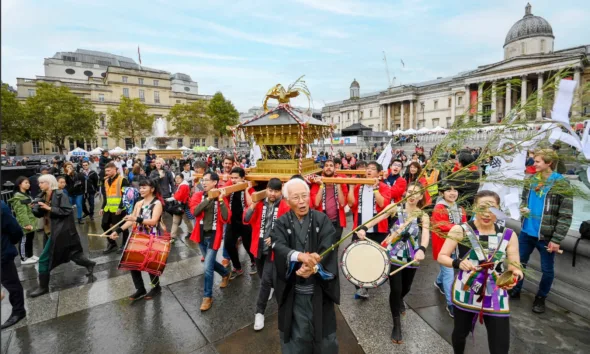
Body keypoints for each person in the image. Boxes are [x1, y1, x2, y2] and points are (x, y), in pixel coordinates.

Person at [438, 190, 523, 354]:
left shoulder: (508, 235)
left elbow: (515, 265)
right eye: (482, 207)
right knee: (460, 334)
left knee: (501, 345)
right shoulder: (461, 230)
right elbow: (442, 256)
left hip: (495, 292)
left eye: (492, 208)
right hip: (466, 290)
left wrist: (515, 276)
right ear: (474, 208)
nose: (487, 213)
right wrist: (458, 262)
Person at [356, 183, 431, 344]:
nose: (412, 195)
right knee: (396, 290)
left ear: (420, 197)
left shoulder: (422, 215)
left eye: (415, 193)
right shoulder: (395, 208)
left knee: (406, 288)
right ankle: (396, 324)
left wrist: (422, 249)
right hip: (393, 254)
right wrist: (363, 228)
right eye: (409, 192)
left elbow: (425, 234)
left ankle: (398, 301)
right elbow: (377, 218)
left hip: (412, 256)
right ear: (405, 193)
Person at [272, 178, 339, 353]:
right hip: (294, 294)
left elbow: (330, 245)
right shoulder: (281, 223)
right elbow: (278, 245)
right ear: (287, 201)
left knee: (325, 340)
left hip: (319, 292)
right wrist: (299, 257)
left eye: (304, 196)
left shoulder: (321, 219)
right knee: (296, 338)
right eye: (296, 198)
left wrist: (314, 266)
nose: (302, 202)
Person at [509, 149, 573, 313]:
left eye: (537, 161)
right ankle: (515, 290)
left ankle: (540, 298)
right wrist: (523, 208)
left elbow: (565, 215)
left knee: (547, 270)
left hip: (545, 236)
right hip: (526, 232)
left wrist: (557, 239)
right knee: (518, 263)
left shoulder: (561, 183)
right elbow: (524, 200)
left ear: (548, 163)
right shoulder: (531, 180)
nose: (533, 164)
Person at [29, 174, 96, 298]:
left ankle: (43, 287)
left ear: (49, 183)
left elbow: (67, 211)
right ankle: (89, 264)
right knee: (72, 254)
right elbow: (39, 214)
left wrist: (49, 208)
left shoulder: (60, 194)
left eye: (42, 182)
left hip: (61, 232)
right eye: (39, 183)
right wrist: (34, 208)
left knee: (44, 259)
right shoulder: (41, 195)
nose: (39, 185)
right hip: (49, 230)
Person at [244, 178, 290, 331]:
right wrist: (252, 205)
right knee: (263, 276)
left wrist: (276, 237)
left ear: (280, 191)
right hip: (258, 247)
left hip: (274, 250)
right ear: (267, 189)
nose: (273, 194)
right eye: (270, 190)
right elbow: (246, 219)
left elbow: (289, 229)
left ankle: (259, 312)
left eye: (276, 191)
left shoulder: (285, 205)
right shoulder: (259, 203)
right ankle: (271, 287)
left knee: (264, 282)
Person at [109, 178, 165, 300]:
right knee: (132, 263)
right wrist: (117, 231)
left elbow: (153, 221)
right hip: (138, 236)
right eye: (140, 187)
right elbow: (130, 220)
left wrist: (136, 219)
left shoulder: (157, 203)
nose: (141, 190)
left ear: (152, 189)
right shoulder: (139, 203)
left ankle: (156, 287)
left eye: (144, 187)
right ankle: (140, 289)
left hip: (152, 236)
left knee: (151, 264)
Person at [347, 161, 391, 299]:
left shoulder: (384, 187)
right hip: (359, 228)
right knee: (356, 258)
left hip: (379, 230)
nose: (369, 171)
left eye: (373, 169)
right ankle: (361, 287)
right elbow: (351, 204)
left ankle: (375, 279)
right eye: (367, 169)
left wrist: (376, 188)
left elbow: (383, 204)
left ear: (379, 173)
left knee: (377, 258)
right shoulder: (359, 187)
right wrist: (351, 187)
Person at [189, 172, 231, 311]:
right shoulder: (198, 195)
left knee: (207, 267)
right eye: (203, 180)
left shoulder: (221, 197)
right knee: (210, 262)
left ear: (215, 182)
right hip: (200, 235)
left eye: (207, 180)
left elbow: (225, 217)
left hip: (214, 235)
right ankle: (225, 273)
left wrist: (220, 200)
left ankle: (207, 297)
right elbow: (195, 212)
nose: (204, 183)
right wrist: (208, 199)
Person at [431, 182, 467, 317]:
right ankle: (451, 304)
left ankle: (439, 282)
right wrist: (459, 228)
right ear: (442, 193)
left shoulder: (460, 207)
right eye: (449, 191)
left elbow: (464, 221)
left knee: (447, 271)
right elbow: (441, 225)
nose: (453, 193)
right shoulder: (439, 207)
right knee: (449, 273)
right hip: (443, 245)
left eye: (455, 190)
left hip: (456, 244)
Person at [225, 167, 257, 278]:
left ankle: (254, 261)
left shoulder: (249, 187)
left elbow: (252, 204)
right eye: (232, 178)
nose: (233, 180)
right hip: (232, 221)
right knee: (228, 244)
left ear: (243, 178)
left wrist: (247, 190)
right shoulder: (230, 187)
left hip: (245, 222)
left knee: (248, 245)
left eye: (236, 178)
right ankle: (237, 267)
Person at [1, 201, 26, 329]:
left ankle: (18, 311)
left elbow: (15, 230)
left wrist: (6, 244)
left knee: (11, 283)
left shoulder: (1, 206)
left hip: (2, 253)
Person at [310, 159, 348, 244]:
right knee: (322, 248)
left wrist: (338, 184)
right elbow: (316, 203)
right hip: (321, 222)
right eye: (326, 166)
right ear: (323, 169)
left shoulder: (341, 182)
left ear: (335, 169)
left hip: (337, 222)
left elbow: (342, 204)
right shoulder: (316, 183)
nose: (328, 168)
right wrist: (321, 186)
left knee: (335, 247)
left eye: (331, 166)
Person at [8, 177, 39, 265]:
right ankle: (23, 258)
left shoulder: (26, 195)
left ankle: (30, 255)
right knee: (24, 240)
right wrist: (26, 224)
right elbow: (21, 213)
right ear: (19, 184)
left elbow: (27, 208)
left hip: (31, 220)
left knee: (30, 239)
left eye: (28, 183)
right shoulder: (18, 197)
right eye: (26, 183)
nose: (28, 184)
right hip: (25, 222)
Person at [101, 162, 130, 254]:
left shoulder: (122, 180)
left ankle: (125, 245)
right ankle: (112, 244)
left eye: (109, 170)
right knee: (104, 225)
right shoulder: (106, 181)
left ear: (115, 169)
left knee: (123, 227)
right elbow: (106, 196)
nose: (107, 172)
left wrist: (121, 207)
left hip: (119, 209)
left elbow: (126, 195)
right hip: (109, 208)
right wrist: (102, 207)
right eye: (106, 171)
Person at [168, 174, 194, 241]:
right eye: (176, 178)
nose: (177, 179)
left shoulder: (184, 185)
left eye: (179, 178)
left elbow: (180, 196)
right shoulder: (182, 185)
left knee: (185, 221)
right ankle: (173, 236)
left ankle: (190, 232)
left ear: (182, 179)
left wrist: (170, 199)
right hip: (181, 206)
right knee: (176, 221)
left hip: (183, 206)